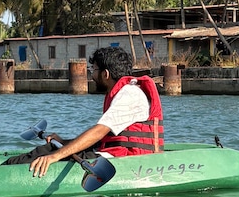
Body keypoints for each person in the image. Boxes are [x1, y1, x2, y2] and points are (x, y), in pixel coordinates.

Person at [25, 44, 163, 178]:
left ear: (105, 74)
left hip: (124, 159)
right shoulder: (123, 91)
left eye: (94, 70)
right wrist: (64, 142)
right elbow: (106, 139)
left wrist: (56, 156)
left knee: (45, 152)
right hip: (113, 152)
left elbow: (99, 132)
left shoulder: (129, 94)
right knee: (47, 149)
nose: (92, 75)